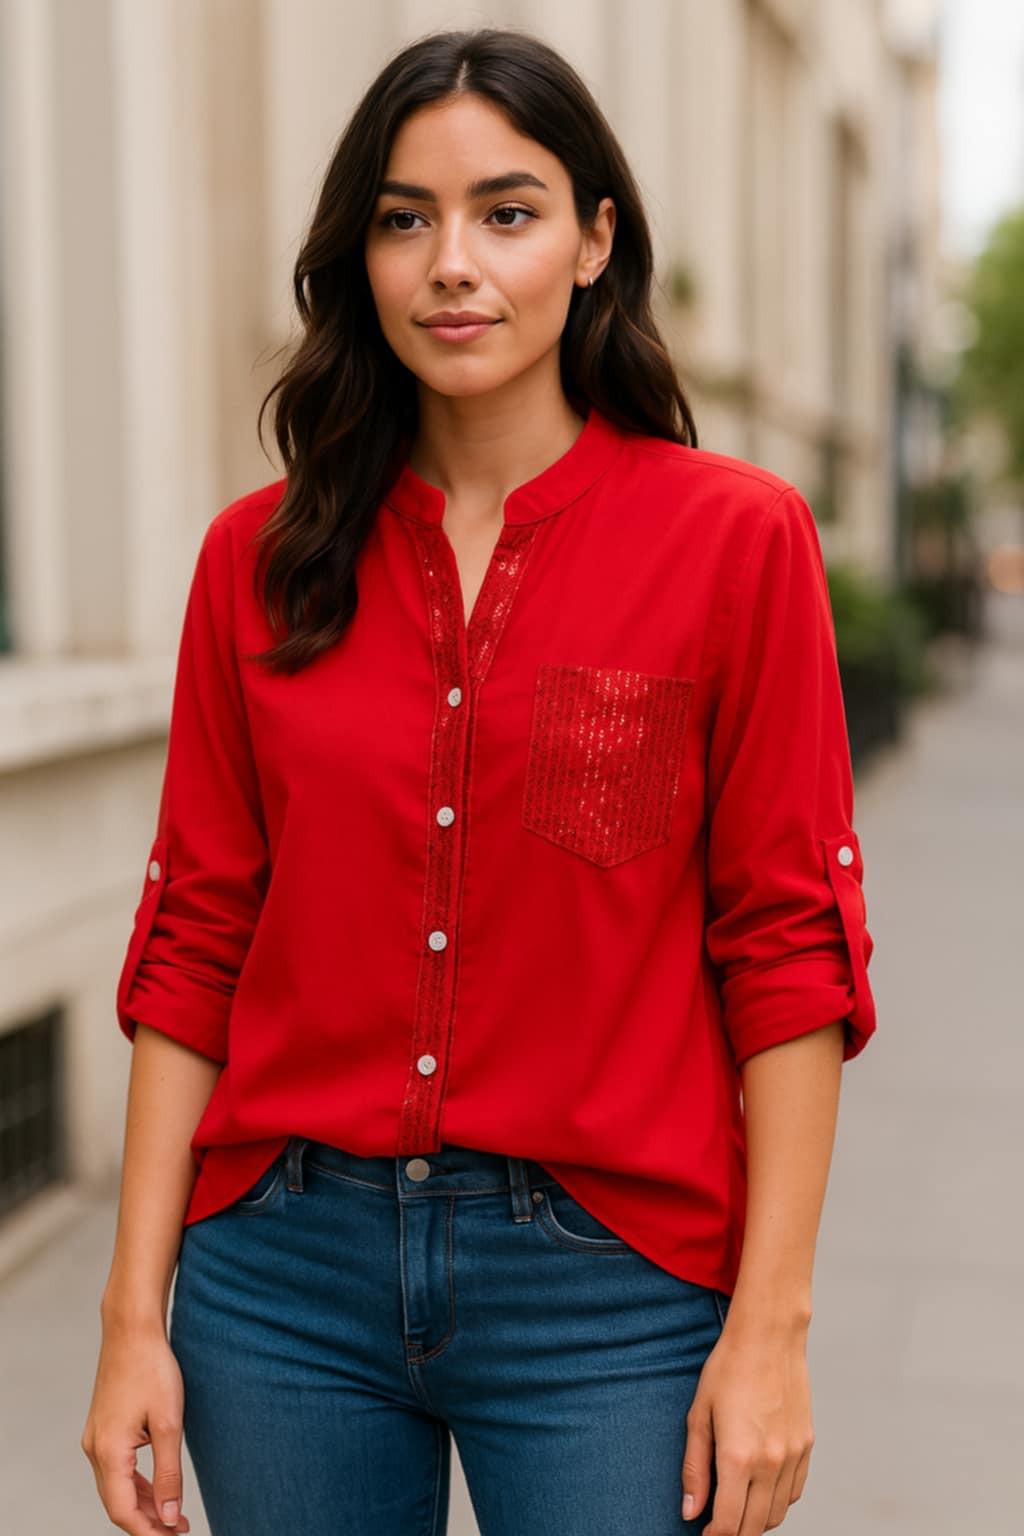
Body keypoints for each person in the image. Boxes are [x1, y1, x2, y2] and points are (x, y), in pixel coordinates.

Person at [81, 25, 878, 1536]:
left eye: (506, 214)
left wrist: (770, 1331)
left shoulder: (735, 543)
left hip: (610, 1289)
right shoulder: (257, 563)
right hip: (280, 1285)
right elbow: (195, 936)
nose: (454, 262)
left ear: (593, 243)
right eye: (405, 218)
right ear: (360, 259)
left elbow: (788, 951)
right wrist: (134, 1320)